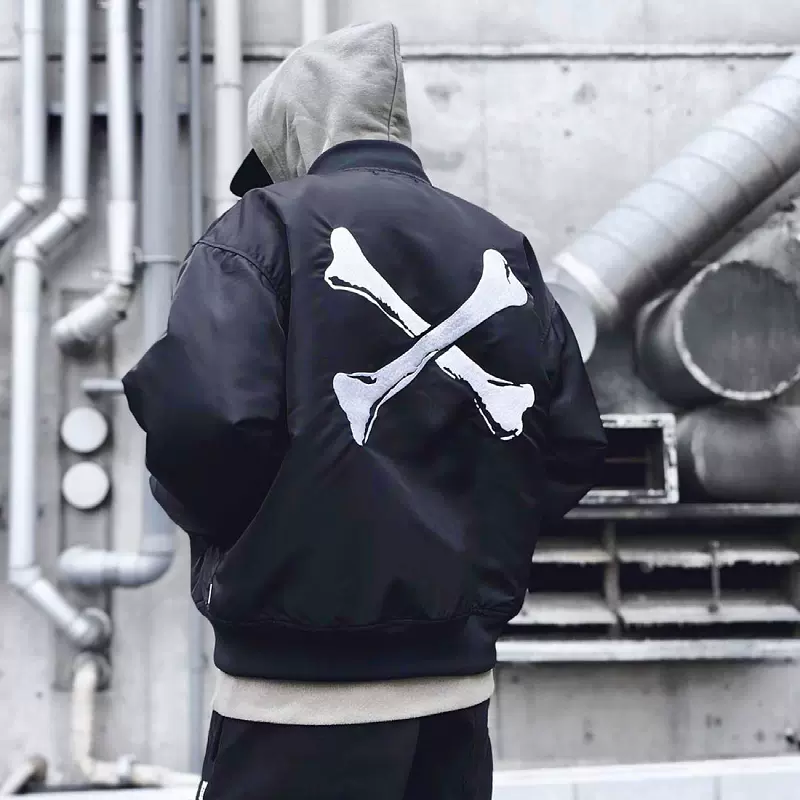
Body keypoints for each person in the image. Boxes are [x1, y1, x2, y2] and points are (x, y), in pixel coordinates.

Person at [122, 20, 606, 800]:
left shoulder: (264, 229)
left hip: (295, 699)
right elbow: (573, 445)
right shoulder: (501, 248)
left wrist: (256, 540)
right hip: (455, 701)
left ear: (292, 132)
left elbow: (204, 422)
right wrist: (467, 544)